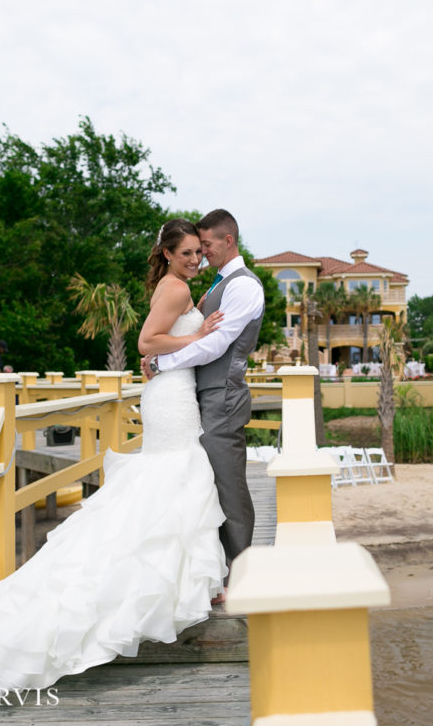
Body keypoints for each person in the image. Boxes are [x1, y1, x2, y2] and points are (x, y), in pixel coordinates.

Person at [0, 219, 227, 716]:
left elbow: (156, 350)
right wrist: (196, 333)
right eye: (189, 253)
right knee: (176, 479)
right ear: (170, 254)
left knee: (171, 485)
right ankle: (174, 588)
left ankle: (180, 586)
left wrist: (181, 347)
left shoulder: (172, 286)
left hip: (172, 395)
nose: (196, 260)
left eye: (200, 252)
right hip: (172, 400)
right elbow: (146, 344)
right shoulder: (175, 291)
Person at [143, 209, 265, 585]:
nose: (201, 255)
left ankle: (240, 576)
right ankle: (207, 573)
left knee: (229, 486)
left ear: (228, 241)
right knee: (204, 483)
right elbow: (187, 331)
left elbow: (215, 345)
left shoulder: (243, 286)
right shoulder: (214, 285)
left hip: (222, 395)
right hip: (197, 397)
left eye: (206, 246)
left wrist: (163, 363)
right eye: (193, 250)